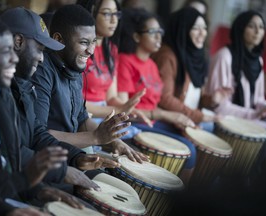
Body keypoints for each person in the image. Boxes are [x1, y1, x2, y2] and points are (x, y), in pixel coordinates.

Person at [30, 4, 146, 198]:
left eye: (93, 42)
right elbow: (39, 136)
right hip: (51, 162)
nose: (91, 50)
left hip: (75, 155)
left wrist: (114, 140)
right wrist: (97, 138)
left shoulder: (74, 68)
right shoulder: (43, 72)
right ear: (58, 39)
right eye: (84, 42)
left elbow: (82, 119)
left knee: (129, 192)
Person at [0, 15, 79, 216]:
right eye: (0, 51)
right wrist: (7, 209)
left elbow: (4, 166)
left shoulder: (0, 96)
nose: (11, 58)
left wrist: (36, 188)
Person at [116, 8, 197, 185]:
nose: (158, 37)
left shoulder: (152, 64)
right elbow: (123, 108)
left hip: (151, 121)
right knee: (189, 151)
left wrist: (174, 117)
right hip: (134, 123)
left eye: (160, 32)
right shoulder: (125, 61)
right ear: (137, 37)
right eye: (153, 32)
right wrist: (165, 114)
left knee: (192, 136)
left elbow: (153, 104)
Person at [76, 0, 151, 137]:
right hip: (82, 118)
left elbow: (111, 97)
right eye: (106, 13)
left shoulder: (111, 50)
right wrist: (117, 109)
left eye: (116, 14)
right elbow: (76, 103)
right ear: (91, 12)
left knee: (135, 135)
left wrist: (129, 108)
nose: (113, 20)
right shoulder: (80, 49)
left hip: (105, 115)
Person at [151, 7, 224, 132]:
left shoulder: (196, 57)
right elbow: (165, 98)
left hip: (186, 120)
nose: (202, 33)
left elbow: (195, 98)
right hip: (167, 120)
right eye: (196, 28)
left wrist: (212, 100)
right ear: (183, 30)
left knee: (212, 128)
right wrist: (199, 116)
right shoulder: (167, 56)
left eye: (204, 28)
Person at [203, 10, 266, 129]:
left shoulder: (258, 60)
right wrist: (252, 114)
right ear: (240, 29)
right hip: (222, 120)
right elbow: (219, 106)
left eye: (261, 27)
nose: (257, 32)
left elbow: (258, 99)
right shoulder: (224, 56)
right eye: (251, 26)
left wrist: (265, 108)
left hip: (247, 118)